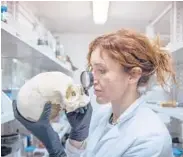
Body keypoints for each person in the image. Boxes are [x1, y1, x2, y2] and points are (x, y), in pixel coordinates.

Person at [13, 29, 175, 157]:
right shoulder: (103, 115)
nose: (91, 80)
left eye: (102, 70)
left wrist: (56, 150)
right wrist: (78, 137)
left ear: (133, 75)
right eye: (92, 70)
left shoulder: (150, 140)